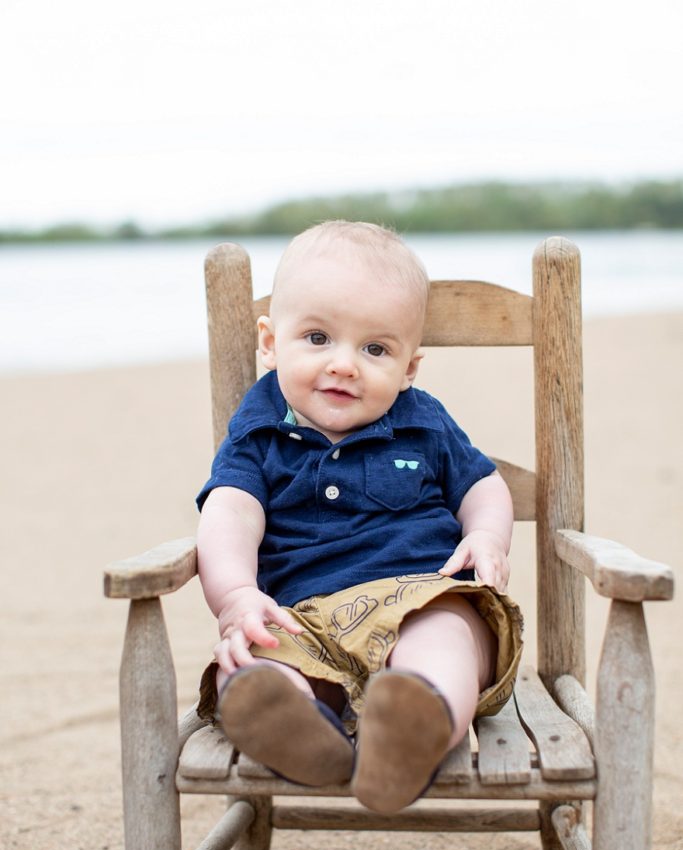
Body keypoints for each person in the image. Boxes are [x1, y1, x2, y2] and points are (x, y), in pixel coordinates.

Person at [196, 220, 523, 814]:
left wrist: (485, 534)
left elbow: (483, 484)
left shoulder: (422, 421)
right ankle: (290, 721)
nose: (344, 364)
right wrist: (237, 595)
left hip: (420, 594)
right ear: (270, 343)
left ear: (409, 369)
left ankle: (416, 725)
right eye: (318, 338)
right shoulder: (259, 431)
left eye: (375, 349)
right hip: (304, 618)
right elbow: (230, 513)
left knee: (447, 637)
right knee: (251, 660)